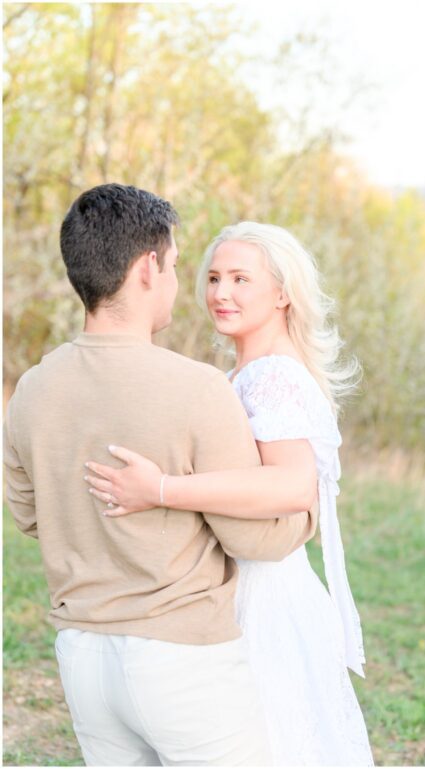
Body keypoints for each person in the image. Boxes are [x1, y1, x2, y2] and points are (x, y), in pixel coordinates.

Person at [3, 183, 319, 765]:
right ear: (148, 268)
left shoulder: (31, 390)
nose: (184, 282)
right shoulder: (196, 388)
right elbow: (253, 537)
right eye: (176, 265)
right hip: (181, 663)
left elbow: (29, 515)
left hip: (82, 658)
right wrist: (308, 506)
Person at [82, 221, 373, 766]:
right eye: (214, 278)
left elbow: (291, 486)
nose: (220, 293)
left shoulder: (274, 377)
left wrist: (162, 489)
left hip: (264, 597)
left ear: (283, 293)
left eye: (242, 279)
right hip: (242, 587)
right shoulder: (246, 373)